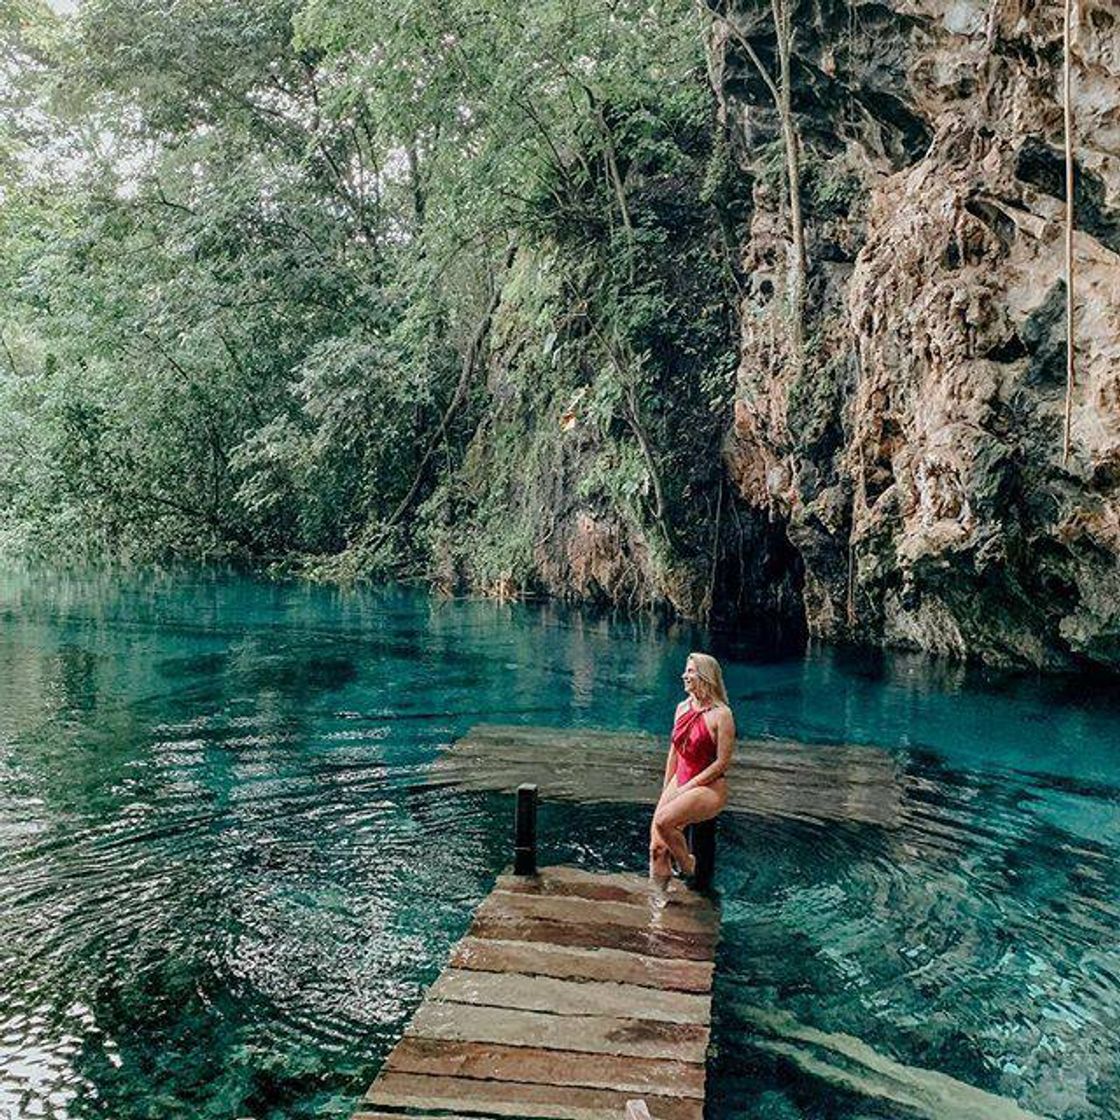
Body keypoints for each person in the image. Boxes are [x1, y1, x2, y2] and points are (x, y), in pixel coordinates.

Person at [649, 652, 735, 888]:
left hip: (708, 785)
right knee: (656, 848)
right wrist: (667, 789)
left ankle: (688, 866)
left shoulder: (722, 715)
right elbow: (674, 752)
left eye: (690, 671)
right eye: (686, 671)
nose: (684, 675)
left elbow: (721, 763)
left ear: (705, 677)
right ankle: (658, 903)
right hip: (681, 779)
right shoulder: (682, 707)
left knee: (665, 821)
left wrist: (688, 787)